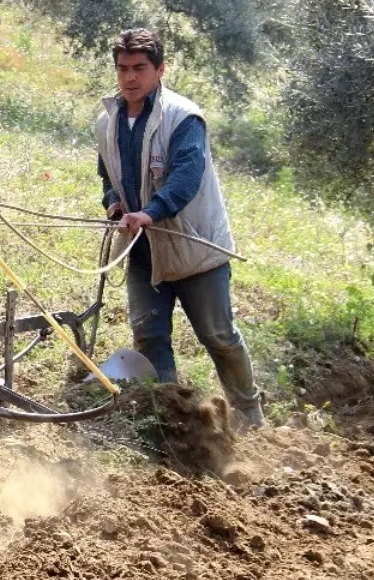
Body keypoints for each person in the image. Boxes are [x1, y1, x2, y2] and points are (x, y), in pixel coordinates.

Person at [94, 28, 265, 428]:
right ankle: (176, 420)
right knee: (150, 338)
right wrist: (113, 203)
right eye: (122, 69)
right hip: (141, 251)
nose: (130, 78)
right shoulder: (106, 122)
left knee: (219, 336)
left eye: (139, 68)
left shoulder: (184, 117)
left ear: (159, 70)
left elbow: (187, 176)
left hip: (195, 251)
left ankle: (250, 415)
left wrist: (150, 212)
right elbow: (106, 175)